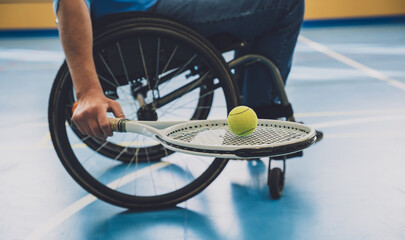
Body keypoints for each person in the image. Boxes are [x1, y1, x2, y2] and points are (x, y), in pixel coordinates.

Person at [53, 0, 305, 139]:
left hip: (144, 8)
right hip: (142, 12)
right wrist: (86, 91)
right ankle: (261, 116)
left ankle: (254, 107)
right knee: (286, 5)